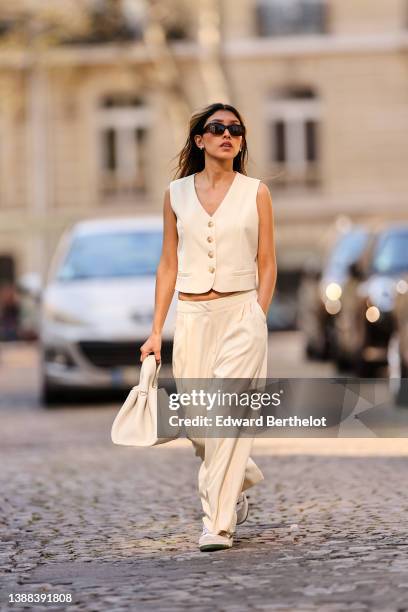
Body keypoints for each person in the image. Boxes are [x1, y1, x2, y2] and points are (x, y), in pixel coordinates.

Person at [140, 102, 277, 551]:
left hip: (242, 313)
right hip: (193, 317)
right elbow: (167, 264)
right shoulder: (175, 193)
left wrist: (258, 312)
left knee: (229, 418)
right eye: (217, 128)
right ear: (199, 139)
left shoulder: (256, 192)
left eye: (236, 130)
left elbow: (268, 262)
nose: (228, 135)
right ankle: (241, 474)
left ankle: (217, 524)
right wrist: (155, 329)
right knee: (201, 425)